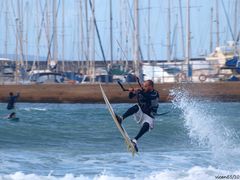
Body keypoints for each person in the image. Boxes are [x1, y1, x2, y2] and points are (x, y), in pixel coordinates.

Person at [115, 80, 159, 152]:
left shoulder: (155, 93)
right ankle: (121, 118)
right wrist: (131, 91)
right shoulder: (142, 91)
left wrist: (139, 91)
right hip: (141, 113)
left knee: (147, 125)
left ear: (150, 86)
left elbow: (148, 97)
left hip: (149, 116)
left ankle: (134, 141)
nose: (144, 87)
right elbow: (130, 97)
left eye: (145, 86)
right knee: (136, 107)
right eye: (143, 86)